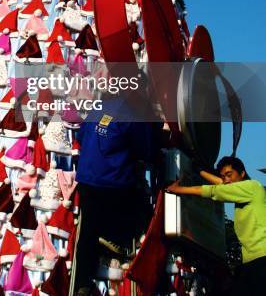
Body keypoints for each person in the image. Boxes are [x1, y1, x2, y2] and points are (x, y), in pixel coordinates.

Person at [73, 89, 158, 296]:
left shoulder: (97, 109)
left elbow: (81, 136)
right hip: (113, 181)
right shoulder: (134, 115)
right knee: (144, 209)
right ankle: (117, 237)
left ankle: (82, 283)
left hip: (86, 178)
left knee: (87, 234)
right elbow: (146, 151)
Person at [167, 156, 266, 295]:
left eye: (229, 174)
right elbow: (223, 185)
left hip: (261, 259)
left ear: (242, 174)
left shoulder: (252, 186)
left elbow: (215, 190)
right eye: (223, 176)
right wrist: (200, 171)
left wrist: (179, 189)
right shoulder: (244, 192)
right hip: (251, 262)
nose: (226, 179)